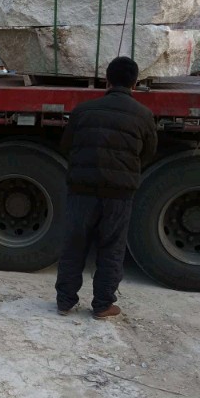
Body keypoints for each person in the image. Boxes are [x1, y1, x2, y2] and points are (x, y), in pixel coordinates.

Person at [55, 56, 158, 319]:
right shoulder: (144, 115)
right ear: (135, 84)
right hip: (119, 195)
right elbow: (148, 154)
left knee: (74, 245)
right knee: (112, 247)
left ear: (106, 81)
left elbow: (66, 146)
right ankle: (102, 305)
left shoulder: (83, 111)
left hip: (81, 191)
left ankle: (65, 301)